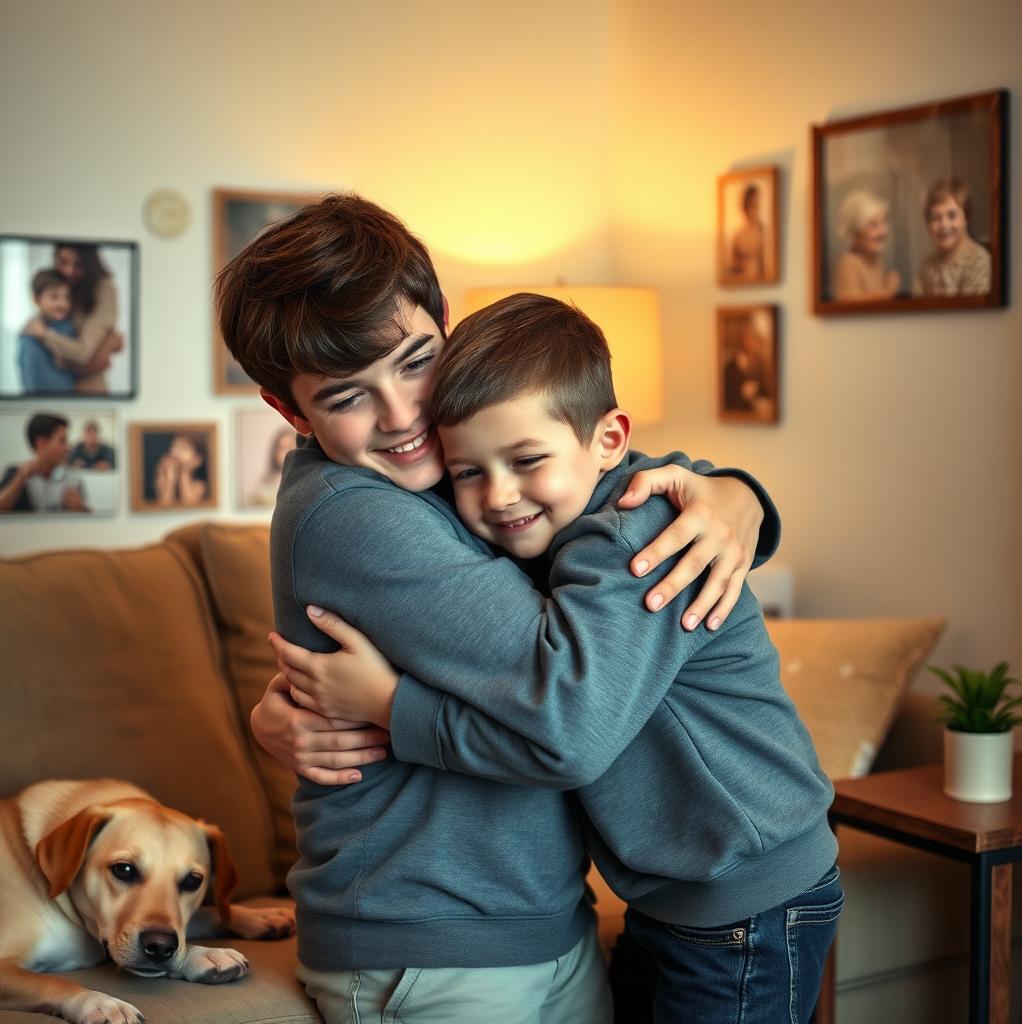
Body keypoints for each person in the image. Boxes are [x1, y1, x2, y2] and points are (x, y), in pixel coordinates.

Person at [216, 193, 781, 1024]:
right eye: (346, 397)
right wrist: (393, 710)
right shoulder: (351, 512)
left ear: (447, 322)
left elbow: (606, 473)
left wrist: (735, 498)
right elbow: (572, 713)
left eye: (415, 360)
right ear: (287, 410)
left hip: (541, 921)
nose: (404, 416)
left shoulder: (464, 461)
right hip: (425, 938)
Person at [19, 244, 123, 394]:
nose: (68, 271)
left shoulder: (103, 289)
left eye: (78, 265)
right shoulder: (33, 333)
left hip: (88, 392)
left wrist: (46, 335)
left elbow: (82, 352)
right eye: (63, 262)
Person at [913, 177, 992, 297]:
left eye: (952, 215)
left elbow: (972, 313)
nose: (944, 225)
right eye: (935, 218)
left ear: (966, 218)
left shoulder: (980, 262)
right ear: (928, 226)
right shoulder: (927, 267)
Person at [0, 412, 88, 513]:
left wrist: (82, 509)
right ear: (41, 443)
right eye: (62, 441)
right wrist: (19, 481)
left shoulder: (73, 479)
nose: (68, 448)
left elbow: (92, 521)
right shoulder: (16, 474)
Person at [832, 189, 901, 301]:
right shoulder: (848, 264)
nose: (883, 231)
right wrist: (888, 292)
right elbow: (851, 309)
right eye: (873, 225)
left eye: (884, 222)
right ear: (854, 234)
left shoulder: (877, 262)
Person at [18, 270, 77, 394]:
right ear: (36, 299)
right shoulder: (27, 334)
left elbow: (70, 362)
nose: (62, 303)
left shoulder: (69, 329)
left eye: (67, 297)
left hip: (66, 401)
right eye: (54, 296)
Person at [722, 308, 772, 417]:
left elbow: (765, 391)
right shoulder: (731, 365)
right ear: (744, 338)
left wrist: (757, 394)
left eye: (759, 338)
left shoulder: (761, 362)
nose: (758, 342)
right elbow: (727, 397)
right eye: (753, 337)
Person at [153, 432, 208, 507]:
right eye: (173, 447)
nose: (174, 453)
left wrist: (184, 472)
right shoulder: (163, 475)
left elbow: (189, 505)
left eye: (183, 448)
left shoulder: (201, 481)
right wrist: (170, 481)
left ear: (198, 459)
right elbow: (164, 507)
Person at [247, 426, 296, 506]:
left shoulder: (304, 481)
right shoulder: (263, 483)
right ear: (275, 451)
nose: (286, 453)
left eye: (290, 447)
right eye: (282, 448)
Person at [728, 183, 765, 280]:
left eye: (755, 205)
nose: (753, 210)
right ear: (744, 206)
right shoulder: (738, 235)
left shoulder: (764, 232)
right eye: (750, 205)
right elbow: (734, 265)